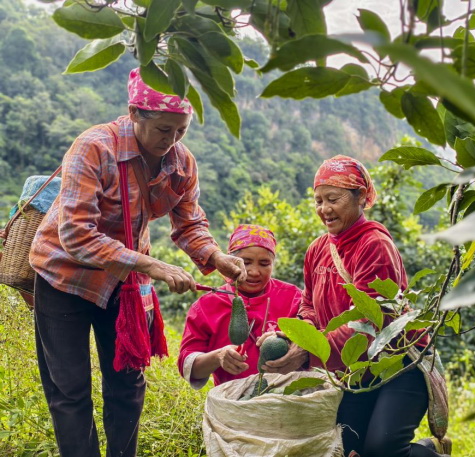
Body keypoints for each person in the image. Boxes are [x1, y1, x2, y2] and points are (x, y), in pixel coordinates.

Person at [29, 68, 247, 457]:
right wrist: (151, 266)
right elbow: (76, 234)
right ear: (134, 113)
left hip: (123, 285)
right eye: (164, 129)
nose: (172, 140)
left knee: (127, 385)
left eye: (181, 131)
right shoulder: (94, 148)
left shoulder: (181, 163)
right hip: (65, 277)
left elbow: (190, 223)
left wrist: (217, 256)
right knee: (70, 388)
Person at [258, 155, 451, 457]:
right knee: (346, 446)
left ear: (360, 196)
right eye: (318, 200)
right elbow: (309, 306)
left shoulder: (374, 245)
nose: (324, 209)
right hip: (354, 369)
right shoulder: (317, 250)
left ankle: (430, 451)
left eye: (333, 199)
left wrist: (308, 354)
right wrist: (297, 337)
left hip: (398, 364)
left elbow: (369, 325)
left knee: (382, 450)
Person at [178, 224, 301, 387]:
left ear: (273, 264)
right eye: (246, 262)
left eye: (264, 264)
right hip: (233, 402)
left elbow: (315, 341)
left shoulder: (294, 297)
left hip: (285, 398)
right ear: (229, 262)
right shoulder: (206, 306)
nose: (254, 271)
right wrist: (218, 357)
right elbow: (188, 366)